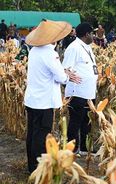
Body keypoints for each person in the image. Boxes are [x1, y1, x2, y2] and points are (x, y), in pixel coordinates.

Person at [24, 19, 80, 173]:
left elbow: (49, 72)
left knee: (32, 133)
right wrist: (68, 76)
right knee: (41, 136)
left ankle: (31, 166)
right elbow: (61, 78)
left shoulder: (34, 50)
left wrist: (63, 72)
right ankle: (38, 169)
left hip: (32, 100)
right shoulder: (50, 53)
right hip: (44, 102)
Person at [62, 23, 98, 154]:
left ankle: (84, 147)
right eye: (92, 33)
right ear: (87, 34)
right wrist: (72, 78)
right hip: (77, 92)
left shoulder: (87, 47)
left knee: (86, 121)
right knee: (75, 121)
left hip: (88, 92)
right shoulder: (74, 48)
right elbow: (66, 68)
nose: (94, 36)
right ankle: (72, 149)